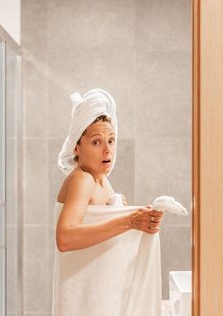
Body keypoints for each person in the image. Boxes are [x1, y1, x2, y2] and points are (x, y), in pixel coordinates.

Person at [55, 88, 164, 252]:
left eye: (111, 141)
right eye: (96, 142)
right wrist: (129, 221)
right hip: (85, 278)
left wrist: (135, 216)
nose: (107, 150)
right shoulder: (83, 179)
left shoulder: (101, 181)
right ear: (76, 147)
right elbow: (65, 239)